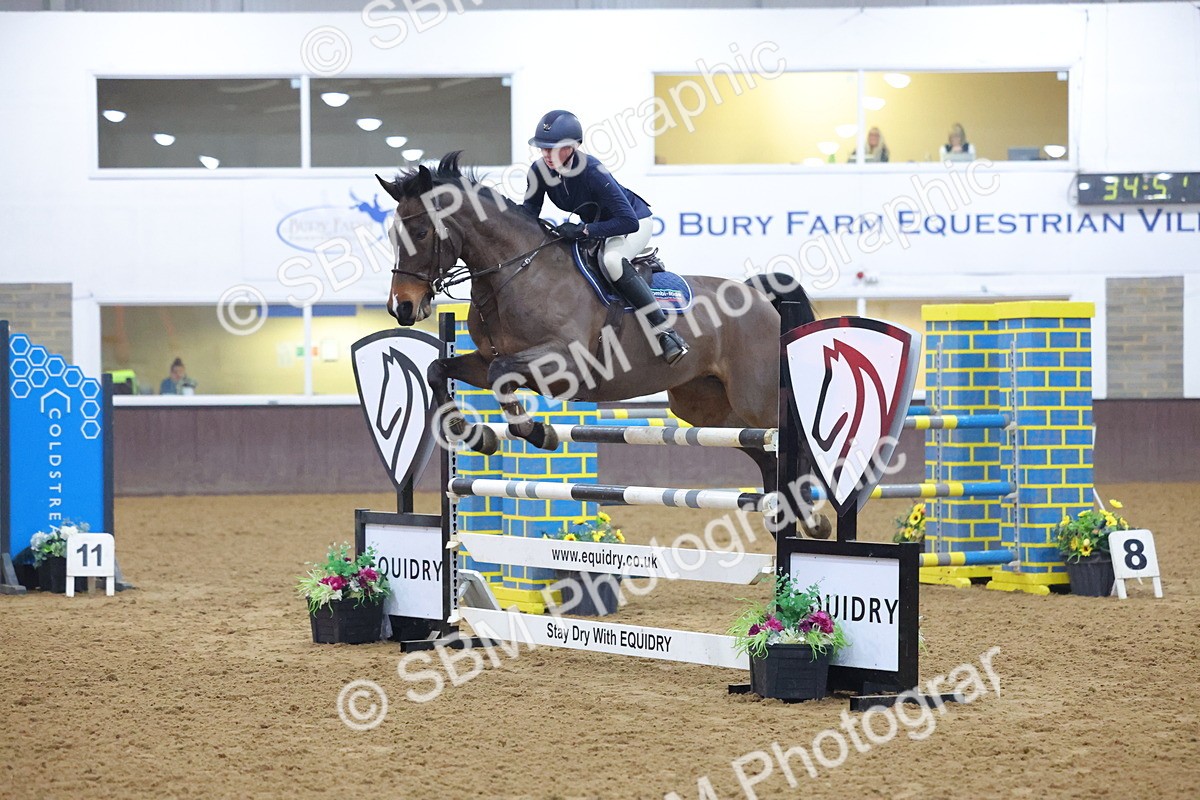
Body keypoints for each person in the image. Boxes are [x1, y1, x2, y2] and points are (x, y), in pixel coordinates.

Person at [522, 109, 688, 365]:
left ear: (574, 147)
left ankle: (666, 332)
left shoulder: (592, 171)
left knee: (612, 260)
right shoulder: (539, 170)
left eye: (553, 148)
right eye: (543, 148)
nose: (546, 154)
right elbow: (529, 214)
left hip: (633, 222)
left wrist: (584, 230)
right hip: (599, 225)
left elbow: (628, 221)